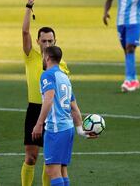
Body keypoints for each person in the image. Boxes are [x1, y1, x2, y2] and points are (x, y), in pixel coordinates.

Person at [21, 0, 70, 186]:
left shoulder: (62, 65)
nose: (47, 44)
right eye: (44, 41)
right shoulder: (30, 56)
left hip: (53, 114)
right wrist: (29, 5)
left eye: (50, 41)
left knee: (50, 160)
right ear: (38, 41)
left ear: (55, 41)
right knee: (31, 157)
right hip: (34, 109)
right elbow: (24, 30)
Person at [32, 46, 97, 186]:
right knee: (62, 170)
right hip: (68, 129)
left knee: (52, 171)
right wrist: (80, 130)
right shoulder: (64, 77)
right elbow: (74, 107)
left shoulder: (47, 75)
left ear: (47, 57)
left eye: (43, 56)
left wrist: (39, 124)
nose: (43, 59)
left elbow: (49, 99)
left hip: (56, 129)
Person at [103, 0, 140, 92]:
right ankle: (134, 78)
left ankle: (129, 80)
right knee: (126, 50)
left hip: (135, 21)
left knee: (130, 47)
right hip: (120, 22)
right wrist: (105, 12)